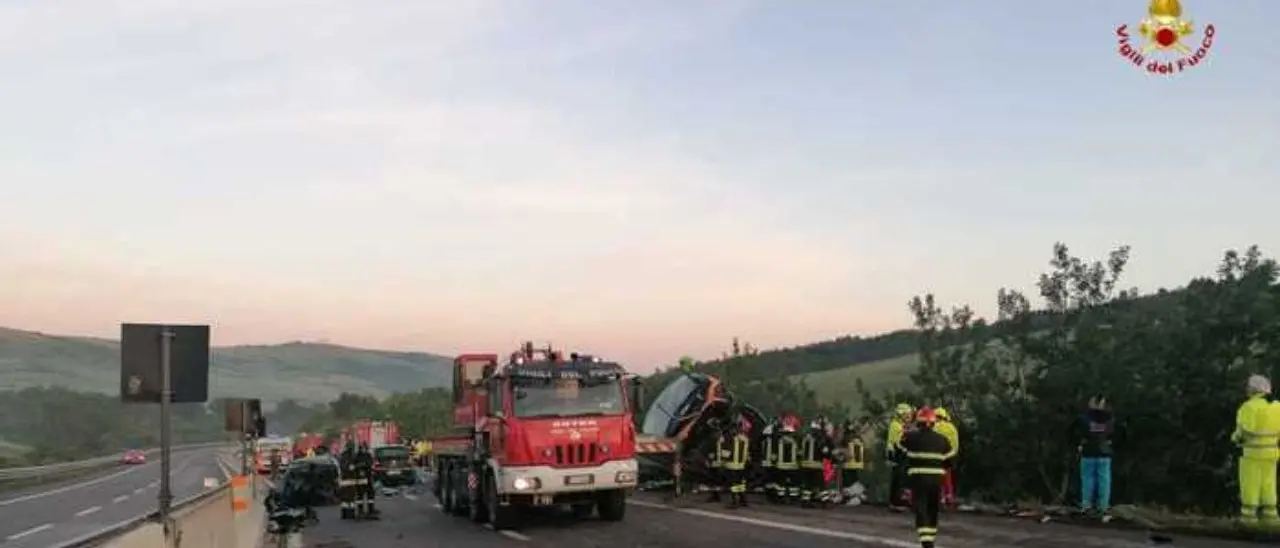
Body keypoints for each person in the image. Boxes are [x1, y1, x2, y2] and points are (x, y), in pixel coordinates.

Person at [1232, 374, 1280, 526]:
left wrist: (1235, 438)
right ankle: (1271, 518)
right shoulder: (1276, 408)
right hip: (1272, 454)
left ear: (1252, 390)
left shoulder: (1248, 407)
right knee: (1269, 485)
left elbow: (1245, 430)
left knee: (1250, 485)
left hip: (1252, 454)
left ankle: (1249, 519)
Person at [901, 407, 951, 548]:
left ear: (919, 422)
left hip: (918, 480)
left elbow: (900, 453)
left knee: (921, 509)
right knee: (933, 509)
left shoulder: (910, 438)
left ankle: (926, 543)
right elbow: (949, 463)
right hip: (936, 481)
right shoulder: (942, 440)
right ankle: (931, 540)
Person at [1073, 396, 1113, 519]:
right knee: (1104, 481)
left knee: (1087, 480)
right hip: (1105, 453)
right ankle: (1103, 507)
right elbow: (1118, 433)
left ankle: (1086, 506)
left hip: (1088, 452)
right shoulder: (1109, 419)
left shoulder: (1084, 419)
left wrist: (1079, 444)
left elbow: (1075, 433)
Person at [886, 402, 914, 510]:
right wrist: (906, 450)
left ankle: (895, 501)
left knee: (898, 478)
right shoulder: (896, 425)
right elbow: (898, 442)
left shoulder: (896, 424)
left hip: (895, 454)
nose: (908, 417)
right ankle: (896, 502)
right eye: (906, 415)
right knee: (899, 478)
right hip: (897, 455)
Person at [721, 412, 752, 508]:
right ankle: (743, 500)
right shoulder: (745, 439)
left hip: (732, 464)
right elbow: (746, 453)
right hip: (741, 465)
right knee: (740, 483)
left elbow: (727, 451)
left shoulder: (732, 438)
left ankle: (735, 502)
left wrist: (722, 460)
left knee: (733, 484)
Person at [933, 407, 959, 508]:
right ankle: (949, 497)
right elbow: (955, 444)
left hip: (937, 455)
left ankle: (941, 498)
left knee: (937, 478)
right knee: (947, 478)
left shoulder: (935, 426)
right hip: (950, 455)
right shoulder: (952, 427)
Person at [837, 420, 866, 505]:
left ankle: (856, 497)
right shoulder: (858, 438)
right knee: (853, 479)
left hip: (849, 463)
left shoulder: (847, 438)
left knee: (848, 481)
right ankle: (857, 495)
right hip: (857, 463)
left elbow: (846, 451)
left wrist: (839, 454)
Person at [775, 414, 801, 503]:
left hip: (781, 466)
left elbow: (775, 454)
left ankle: (781, 498)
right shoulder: (795, 442)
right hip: (793, 466)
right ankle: (793, 499)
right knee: (793, 484)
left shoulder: (779, 441)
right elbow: (799, 453)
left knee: (781, 483)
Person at [760, 418, 779, 502]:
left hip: (766, 462)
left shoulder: (765, 441)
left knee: (768, 480)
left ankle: (770, 494)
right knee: (772, 479)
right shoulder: (772, 441)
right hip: (770, 462)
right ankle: (772, 495)